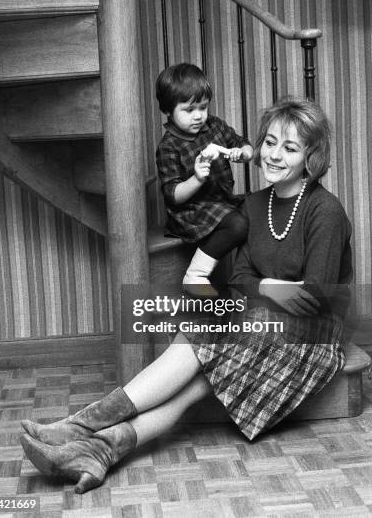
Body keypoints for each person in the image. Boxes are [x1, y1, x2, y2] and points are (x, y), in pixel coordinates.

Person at [20, 97, 352, 494]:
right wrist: (265, 288)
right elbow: (244, 278)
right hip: (262, 318)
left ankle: (83, 426)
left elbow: (315, 298)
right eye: (269, 141)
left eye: (290, 147)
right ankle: (97, 450)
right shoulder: (253, 205)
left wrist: (259, 294)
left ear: (311, 158)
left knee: (201, 338)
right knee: (197, 376)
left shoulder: (324, 211)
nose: (274, 155)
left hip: (310, 337)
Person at [155, 63, 253, 293]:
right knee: (238, 224)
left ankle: (247, 276)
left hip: (222, 200)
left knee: (259, 207)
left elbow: (244, 144)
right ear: (169, 110)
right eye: (189, 110)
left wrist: (243, 154)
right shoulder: (168, 146)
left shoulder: (214, 126)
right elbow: (173, 196)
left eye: (203, 107)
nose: (198, 116)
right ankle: (195, 274)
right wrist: (196, 179)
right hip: (191, 211)